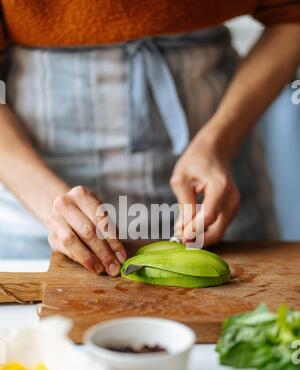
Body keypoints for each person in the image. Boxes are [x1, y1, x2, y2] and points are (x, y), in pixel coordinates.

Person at [0, 1, 299, 277]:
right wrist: (50, 201)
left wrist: (218, 143)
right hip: (35, 219)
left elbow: (292, 16)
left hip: (220, 206)